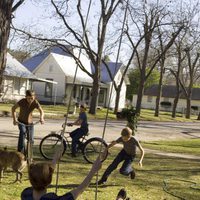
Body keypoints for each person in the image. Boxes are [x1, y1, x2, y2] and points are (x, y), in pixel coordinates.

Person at [21, 148, 103, 200]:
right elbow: (79, 190)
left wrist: (55, 160)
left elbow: (41, 178)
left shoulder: (25, 194)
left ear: (31, 180)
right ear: (49, 181)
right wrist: (93, 170)